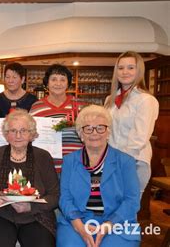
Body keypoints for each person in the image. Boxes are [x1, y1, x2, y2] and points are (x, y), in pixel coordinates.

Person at [57, 105, 140, 247]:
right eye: (88, 128)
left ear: (108, 132)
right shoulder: (69, 161)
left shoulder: (126, 162)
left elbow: (132, 200)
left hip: (117, 222)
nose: (94, 133)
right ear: (81, 134)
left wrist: (109, 225)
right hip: (77, 221)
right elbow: (65, 198)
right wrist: (79, 225)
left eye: (100, 127)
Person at [0, 109, 59, 246]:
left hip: (36, 216)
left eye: (23, 130)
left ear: (31, 134)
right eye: (13, 131)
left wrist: (30, 207)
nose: (18, 135)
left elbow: (55, 196)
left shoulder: (43, 157)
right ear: (6, 135)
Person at [104, 51, 159, 195]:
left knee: (126, 210)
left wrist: (119, 163)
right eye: (121, 68)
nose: (125, 72)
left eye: (130, 67)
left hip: (133, 162)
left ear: (139, 70)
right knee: (109, 207)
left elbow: (139, 138)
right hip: (111, 161)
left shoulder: (146, 100)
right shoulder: (110, 99)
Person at [29, 64, 83, 174]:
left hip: (76, 166)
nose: (58, 83)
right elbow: (29, 135)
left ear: (68, 83)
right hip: (46, 167)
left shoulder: (79, 106)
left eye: (62, 80)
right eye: (53, 79)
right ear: (47, 83)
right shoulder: (36, 107)